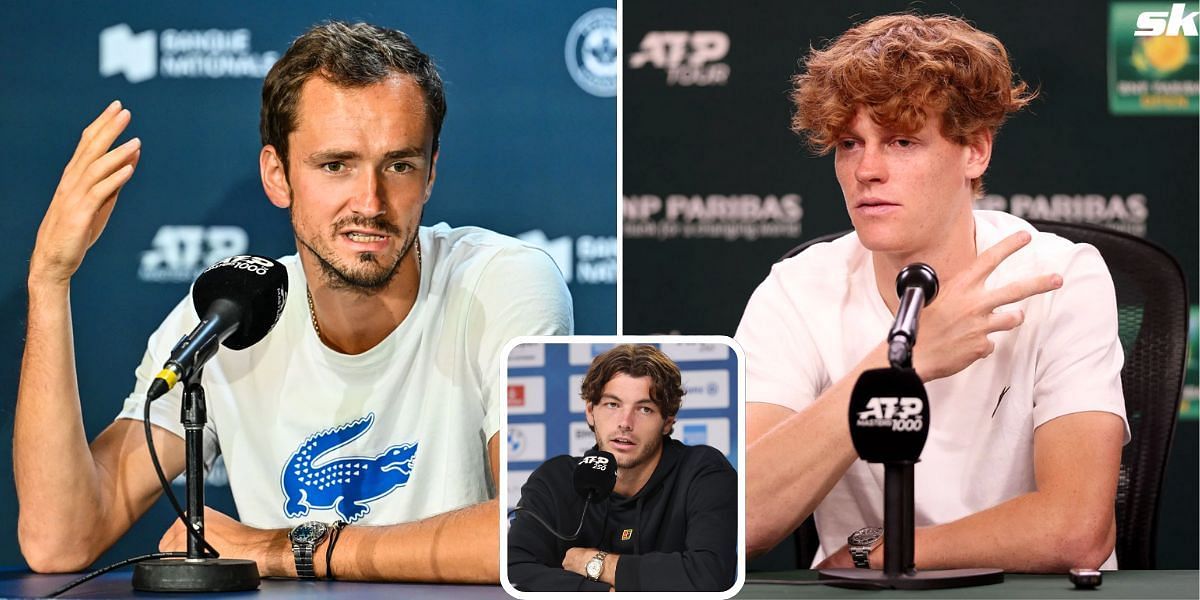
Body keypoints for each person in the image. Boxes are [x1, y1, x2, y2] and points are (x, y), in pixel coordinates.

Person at [15, 21, 572, 583]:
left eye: (399, 164)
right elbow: (58, 540)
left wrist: (290, 550)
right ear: (277, 175)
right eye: (336, 165)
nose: (371, 201)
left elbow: (549, 532)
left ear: (430, 175)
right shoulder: (229, 315)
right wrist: (49, 280)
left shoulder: (503, 283)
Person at [737, 13, 1127, 573]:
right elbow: (736, 521)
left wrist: (883, 549)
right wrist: (899, 364)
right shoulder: (797, 290)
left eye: (901, 141)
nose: (866, 170)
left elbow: (1076, 530)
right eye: (850, 143)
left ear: (975, 152)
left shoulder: (1060, 277)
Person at [507, 344, 738, 591]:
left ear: (667, 422)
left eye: (644, 409)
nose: (625, 423)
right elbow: (515, 570)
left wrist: (598, 565)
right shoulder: (555, 479)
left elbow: (710, 575)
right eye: (612, 405)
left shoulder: (703, 473)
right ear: (590, 412)